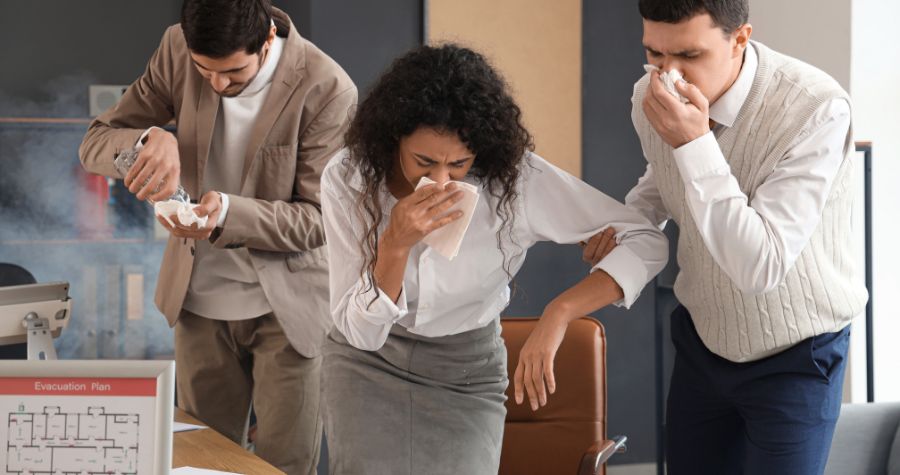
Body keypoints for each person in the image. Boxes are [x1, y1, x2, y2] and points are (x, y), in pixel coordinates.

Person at [319, 43, 668, 474]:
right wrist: (394, 244)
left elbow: (646, 240)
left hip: (465, 373)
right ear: (394, 137)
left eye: (459, 164)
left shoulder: (516, 181)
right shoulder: (347, 177)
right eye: (423, 161)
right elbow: (361, 334)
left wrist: (559, 313)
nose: (441, 180)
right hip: (365, 366)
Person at [78, 1, 357, 472]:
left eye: (232, 72)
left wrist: (226, 213)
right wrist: (148, 140)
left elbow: (318, 221)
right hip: (198, 301)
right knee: (201, 464)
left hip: (288, 310)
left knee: (283, 467)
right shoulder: (175, 48)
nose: (217, 85)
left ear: (267, 39)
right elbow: (96, 140)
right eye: (204, 71)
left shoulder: (327, 87)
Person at [622, 1, 868, 473]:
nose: (668, 77)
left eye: (689, 56)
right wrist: (627, 222)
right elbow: (663, 180)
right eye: (654, 55)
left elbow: (760, 266)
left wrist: (694, 144)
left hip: (797, 353)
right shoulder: (647, 96)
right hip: (704, 339)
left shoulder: (815, 108)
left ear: (739, 39)